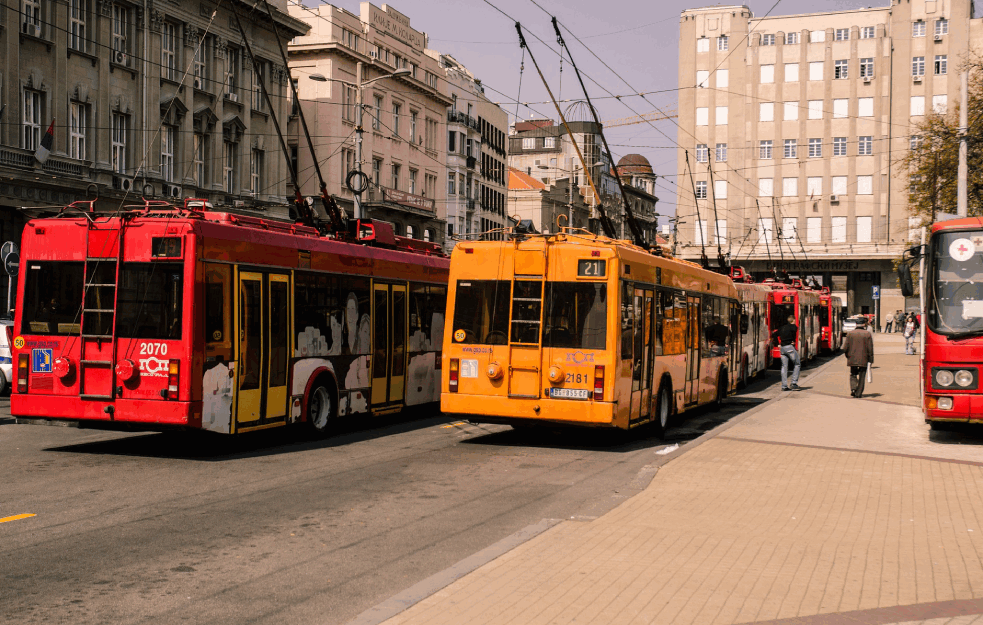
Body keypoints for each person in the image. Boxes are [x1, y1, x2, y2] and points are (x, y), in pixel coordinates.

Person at [844, 316, 875, 398]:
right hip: (864, 358)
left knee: (853, 374)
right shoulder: (867, 334)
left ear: (856, 324)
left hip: (852, 357)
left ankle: (853, 388)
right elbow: (870, 348)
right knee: (862, 375)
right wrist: (871, 359)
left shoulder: (850, 333)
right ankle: (859, 393)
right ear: (864, 324)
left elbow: (845, 347)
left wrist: (848, 356)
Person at [771, 314, 800, 391]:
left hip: (782, 348)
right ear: (793, 320)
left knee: (784, 366)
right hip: (789, 347)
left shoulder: (782, 327)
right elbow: (794, 334)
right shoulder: (794, 327)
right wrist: (793, 341)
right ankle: (793, 383)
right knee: (797, 363)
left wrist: (777, 344)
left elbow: (774, 334)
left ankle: (784, 386)